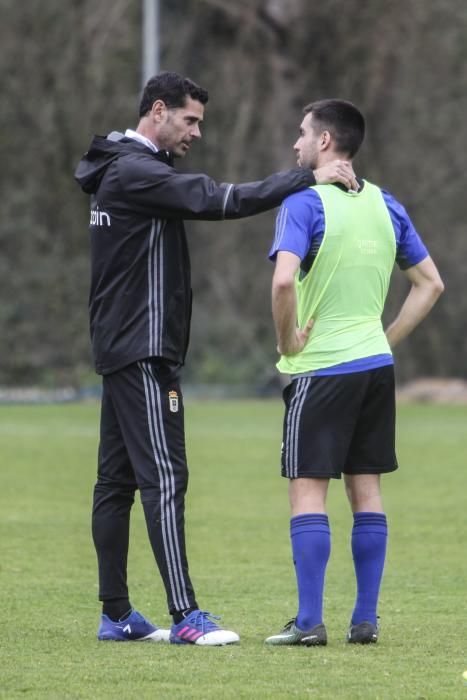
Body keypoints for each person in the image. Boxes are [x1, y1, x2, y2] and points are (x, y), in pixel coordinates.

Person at [74, 72, 358, 646]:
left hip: (122, 346)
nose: (197, 132)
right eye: (190, 120)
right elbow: (219, 198)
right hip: (144, 349)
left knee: (115, 482)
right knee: (166, 479)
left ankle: (116, 614)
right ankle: (185, 616)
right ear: (158, 111)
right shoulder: (135, 171)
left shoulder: (122, 167)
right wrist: (306, 176)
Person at [265, 99, 444, 647]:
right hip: (374, 368)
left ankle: (308, 623)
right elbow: (430, 284)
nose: (296, 143)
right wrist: (382, 341)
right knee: (366, 491)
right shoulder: (387, 205)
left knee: (307, 494)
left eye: (301, 134)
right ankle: (365, 620)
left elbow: (282, 283)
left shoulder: (303, 202)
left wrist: (287, 340)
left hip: (320, 369)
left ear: (324, 142)